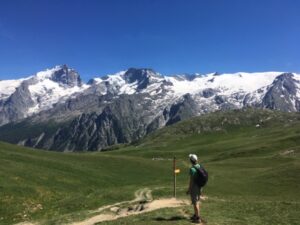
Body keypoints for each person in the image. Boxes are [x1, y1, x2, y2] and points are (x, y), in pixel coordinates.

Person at [186, 154, 202, 223]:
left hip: (194, 188)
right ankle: (195, 215)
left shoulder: (192, 169)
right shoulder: (199, 166)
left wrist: (189, 190)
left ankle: (198, 218)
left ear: (191, 161)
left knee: (195, 203)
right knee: (196, 201)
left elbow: (191, 181)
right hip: (199, 187)